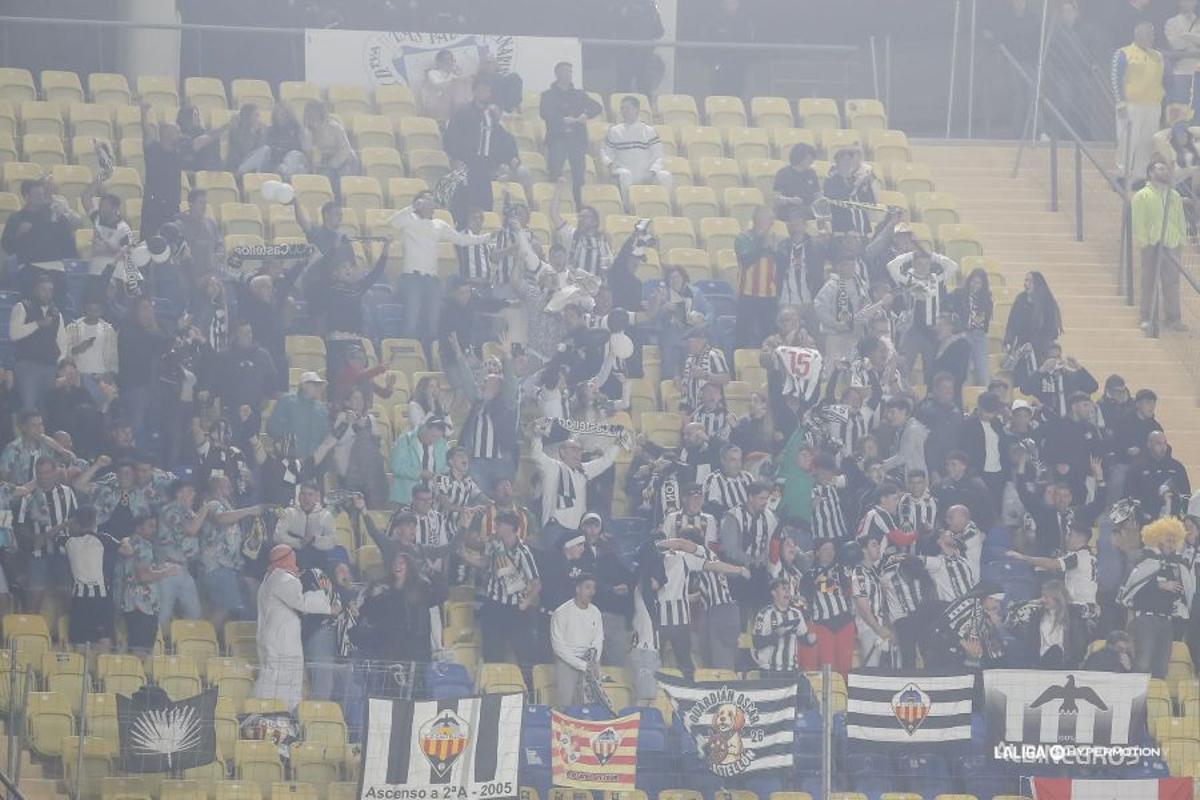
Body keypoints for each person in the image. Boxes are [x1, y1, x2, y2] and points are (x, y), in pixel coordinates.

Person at [389, 191, 492, 355]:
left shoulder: (439, 224)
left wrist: (487, 237)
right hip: (412, 278)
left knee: (433, 323)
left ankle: (430, 358)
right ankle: (405, 357)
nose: (432, 205)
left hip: (432, 280)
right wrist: (411, 208)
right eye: (427, 201)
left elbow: (461, 239)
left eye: (433, 202)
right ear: (419, 203)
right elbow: (393, 222)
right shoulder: (409, 219)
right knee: (412, 320)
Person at [255, 544, 331, 709]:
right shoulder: (282, 577)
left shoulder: (269, 578)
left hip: (274, 637)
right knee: (281, 682)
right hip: (282, 641)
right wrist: (326, 600)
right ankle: (270, 716)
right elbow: (301, 601)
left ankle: (269, 715)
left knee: (274, 679)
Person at [1117, 517, 1195, 677]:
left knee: (1161, 666)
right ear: (1157, 538)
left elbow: (1187, 592)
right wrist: (1158, 585)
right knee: (1142, 663)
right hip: (1145, 619)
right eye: (1168, 539)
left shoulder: (1178, 564)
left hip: (1167, 621)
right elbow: (1130, 586)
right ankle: (1136, 700)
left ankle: (1153, 701)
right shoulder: (1144, 558)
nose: (1171, 543)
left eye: (1174, 540)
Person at [531, 421, 620, 540]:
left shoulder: (584, 470)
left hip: (576, 529)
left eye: (579, 450)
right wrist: (537, 437)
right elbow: (536, 455)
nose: (578, 453)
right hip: (554, 528)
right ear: (562, 452)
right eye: (574, 449)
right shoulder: (551, 467)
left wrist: (618, 443)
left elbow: (606, 461)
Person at [1131, 159, 1188, 332]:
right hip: (1152, 243)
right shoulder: (1142, 195)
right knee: (1149, 281)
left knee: (1172, 282)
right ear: (1150, 173)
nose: (1163, 172)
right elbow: (1138, 220)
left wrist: (1181, 239)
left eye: (1165, 169)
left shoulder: (1174, 195)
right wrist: (1145, 241)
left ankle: (1173, 318)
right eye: (1159, 169)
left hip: (1172, 243)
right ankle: (1147, 317)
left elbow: (1179, 218)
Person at [540, 62, 603, 209]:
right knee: (555, 173)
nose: (568, 74)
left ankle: (579, 206)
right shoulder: (548, 95)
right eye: (565, 71)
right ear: (557, 74)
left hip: (577, 139)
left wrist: (585, 115)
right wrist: (561, 120)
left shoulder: (579, 94)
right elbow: (544, 113)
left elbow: (597, 107)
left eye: (570, 71)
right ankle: (555, 205)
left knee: (579, 175)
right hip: (557, 138)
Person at [1, 178, 78, 291]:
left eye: (42, 194)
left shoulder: (54, 214)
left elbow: (68, 242)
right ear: (27, 197)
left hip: (56, 266)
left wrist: (63, 220)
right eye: (37, 195)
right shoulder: (17, 218)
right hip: (30, 266)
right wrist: (19, 234)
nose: (41, 198)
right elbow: (7, 246)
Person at [1112, 22, 1165, 183]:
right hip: (1131, 104)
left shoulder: (1158, 55)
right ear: (1137, 34)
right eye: (1146, 33)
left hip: (1153, 105)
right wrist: (1120, 102)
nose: (1150, 37)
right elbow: (1115, 78)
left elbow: (1162, 80)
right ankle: (1122, 174)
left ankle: (1140, 176)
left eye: (1152, 34)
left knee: (1147, 142)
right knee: (1128, 140)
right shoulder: (1123, 53)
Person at [600, 95, 672, 210]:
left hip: (645, 173)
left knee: (665, 176)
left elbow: (659, 156)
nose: (624, 111)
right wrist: (610, 164)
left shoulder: (649, 131)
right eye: (622, 108)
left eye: (627, 108)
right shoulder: (614, 131)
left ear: (636, 110)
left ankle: (664, 208)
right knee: (625, 174)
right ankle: (627, 209)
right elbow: (604, 152)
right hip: (624, 171)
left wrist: (653, 171)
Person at [9, 274, 67, 412]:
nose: (47, 293)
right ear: (35, 290)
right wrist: (38, 324)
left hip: (50, 367)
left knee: (46, 409)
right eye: (43, 289)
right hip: (28, 366)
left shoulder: (56, 313)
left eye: (50, 290)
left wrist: (59, 363)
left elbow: (62, 342)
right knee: (29, 408)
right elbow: (14, 334)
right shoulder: (22, 306)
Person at [549, 572, 604, 707]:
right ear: (578, 589)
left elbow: (598, 638)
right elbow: (558, 646)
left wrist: (593, 661)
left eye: (593, 588)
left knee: (589, 705)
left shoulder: (595, 612)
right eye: (587, 587)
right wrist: (581, 665)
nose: (591, 591)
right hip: (567, 662)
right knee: (565, 704)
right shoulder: (561, 612)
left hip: (590, 663)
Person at [733, 207, 780, 349]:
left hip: (769, 295)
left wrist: (773, 249)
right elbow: (746, 259)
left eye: (771, 221)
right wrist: (760, 242)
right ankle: (739, 366)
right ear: (756, 221)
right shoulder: (743, 238)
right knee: (742, 333)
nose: (769, 224)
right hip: (747, 293)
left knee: (769, 334)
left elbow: (782, 262)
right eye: (766, 220)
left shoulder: (776, 240)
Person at [64, 298, 119, 405]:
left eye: (96, 310)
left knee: (101, 410)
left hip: (101, 378)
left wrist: (111, 374)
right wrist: (77, 349)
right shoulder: (73, 328)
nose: (93, 313)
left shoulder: (108, 330)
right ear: (85, 309)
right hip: (80, 378)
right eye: (90, 309)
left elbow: (113, 355)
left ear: (101, 311)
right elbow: (64, 352)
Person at [753, 577, 815, 673]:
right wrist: (775, 635)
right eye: (783, 589)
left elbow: (803, 637)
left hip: (791, 669)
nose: (787, 592)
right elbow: (757, 643)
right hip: (769, 670)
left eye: (788, 589)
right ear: (774, 593)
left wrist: (810, 640)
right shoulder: (764, 614)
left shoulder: (796, 613)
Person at [1004, 271, 1063, 366]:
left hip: (1042, 348)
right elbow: (1011, 323)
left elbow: (1050, 331)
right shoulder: (1020, 299)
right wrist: (1008, 341)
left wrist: (1033, 344)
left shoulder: (1047, 302)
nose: (1026, 283)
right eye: (1026, 280)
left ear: (1038, 284)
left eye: (1030, 281)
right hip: (1022, 347)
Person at [389, 416, 449, 507]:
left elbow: (446, 467)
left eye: (438, 438)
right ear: (424, 428)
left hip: (431, 499)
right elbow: (396, 466)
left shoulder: (442, 444)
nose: (434, 440)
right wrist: (419, 473)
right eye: (433, 436)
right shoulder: (405, 441)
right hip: (406, 498)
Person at [950, 267, 994, 387]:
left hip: (979, 334)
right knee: (966, 368)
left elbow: (986, 323)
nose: (975, 285)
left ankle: (987, 397)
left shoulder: (986, 299)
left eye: (979, 283)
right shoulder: (959, 294)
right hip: (963, 334)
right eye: (973, 281)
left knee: (983, 368)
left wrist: (981, 320)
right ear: (969, 281)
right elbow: (951, 311)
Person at [303, 101, 359, 189]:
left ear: (320, 113)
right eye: (308, 113)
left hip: (344, 161)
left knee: (341, 179)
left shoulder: (335, 127)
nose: (311, 115)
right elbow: (308, 151)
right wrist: (309, 133)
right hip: (323, 164)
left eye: (313, 112)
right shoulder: (306, 132)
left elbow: (345, 149)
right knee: (324, 178)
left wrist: (333, 164)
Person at [823, 146, 878, 235]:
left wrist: (866, 187)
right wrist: (857, 184)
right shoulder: (831, 181)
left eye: (850, 161)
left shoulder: (855, 179)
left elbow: (871, 203)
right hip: (843, 230)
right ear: (837, 163)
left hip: (863, 228)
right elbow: (839, 199)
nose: (848, 164)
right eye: (845, 161)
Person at [420, 49, 471, 125]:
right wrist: (456, 81)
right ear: (439, 63)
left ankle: (463, 115)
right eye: (446, 60)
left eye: (451, 60)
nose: (450, 63)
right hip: (437, 106)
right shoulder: (433, 73)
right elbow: (438, 86)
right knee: (459, 85)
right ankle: (461, 115)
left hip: (451, 106)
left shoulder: (454, 76)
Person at [773, 143, 821, 220]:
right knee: (798, 215)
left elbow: (817, 193)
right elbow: (777, 198)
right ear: (800, 157)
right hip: (790, 210)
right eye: (809, 157)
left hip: (809, 208)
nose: (811, 160)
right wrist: (790, 200)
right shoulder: (783, 173)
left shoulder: (812, 173)